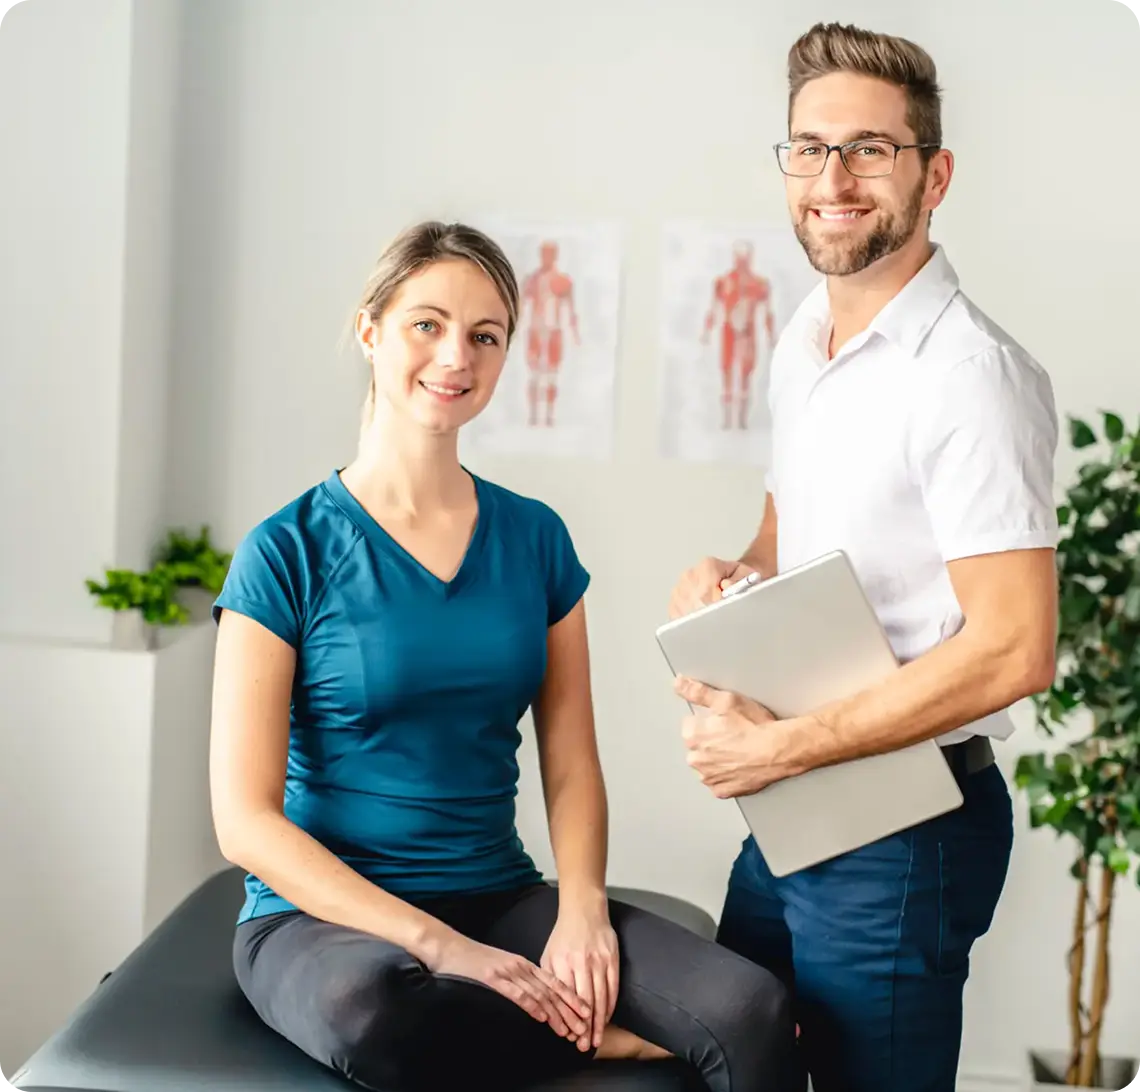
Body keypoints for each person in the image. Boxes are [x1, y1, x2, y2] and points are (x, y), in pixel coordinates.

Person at [209, 220, 796, 1092]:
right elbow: (244, 822)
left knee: (752, 1009)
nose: (457, 356)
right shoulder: (283, 551)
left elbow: (571, 762)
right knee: (381, 1014)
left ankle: (561, 1019)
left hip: (495, 893)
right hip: (322, 921)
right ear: (370, 331)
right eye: (427, 324)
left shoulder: (535, 539)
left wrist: (582, 910)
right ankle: (602, 1039)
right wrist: (445, 948)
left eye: (485, 336)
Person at [668, 22, 1059, 1092]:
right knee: (731, 1063)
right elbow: (786, 536)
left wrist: (783, 749)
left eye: (869, 150)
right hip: (802, 804)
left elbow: (1016, 648)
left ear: (936, 175)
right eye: (810, 148)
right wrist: (728, 579)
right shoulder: (806, 340)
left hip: (904, 822)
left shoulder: (971, 377)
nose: (833, 179)